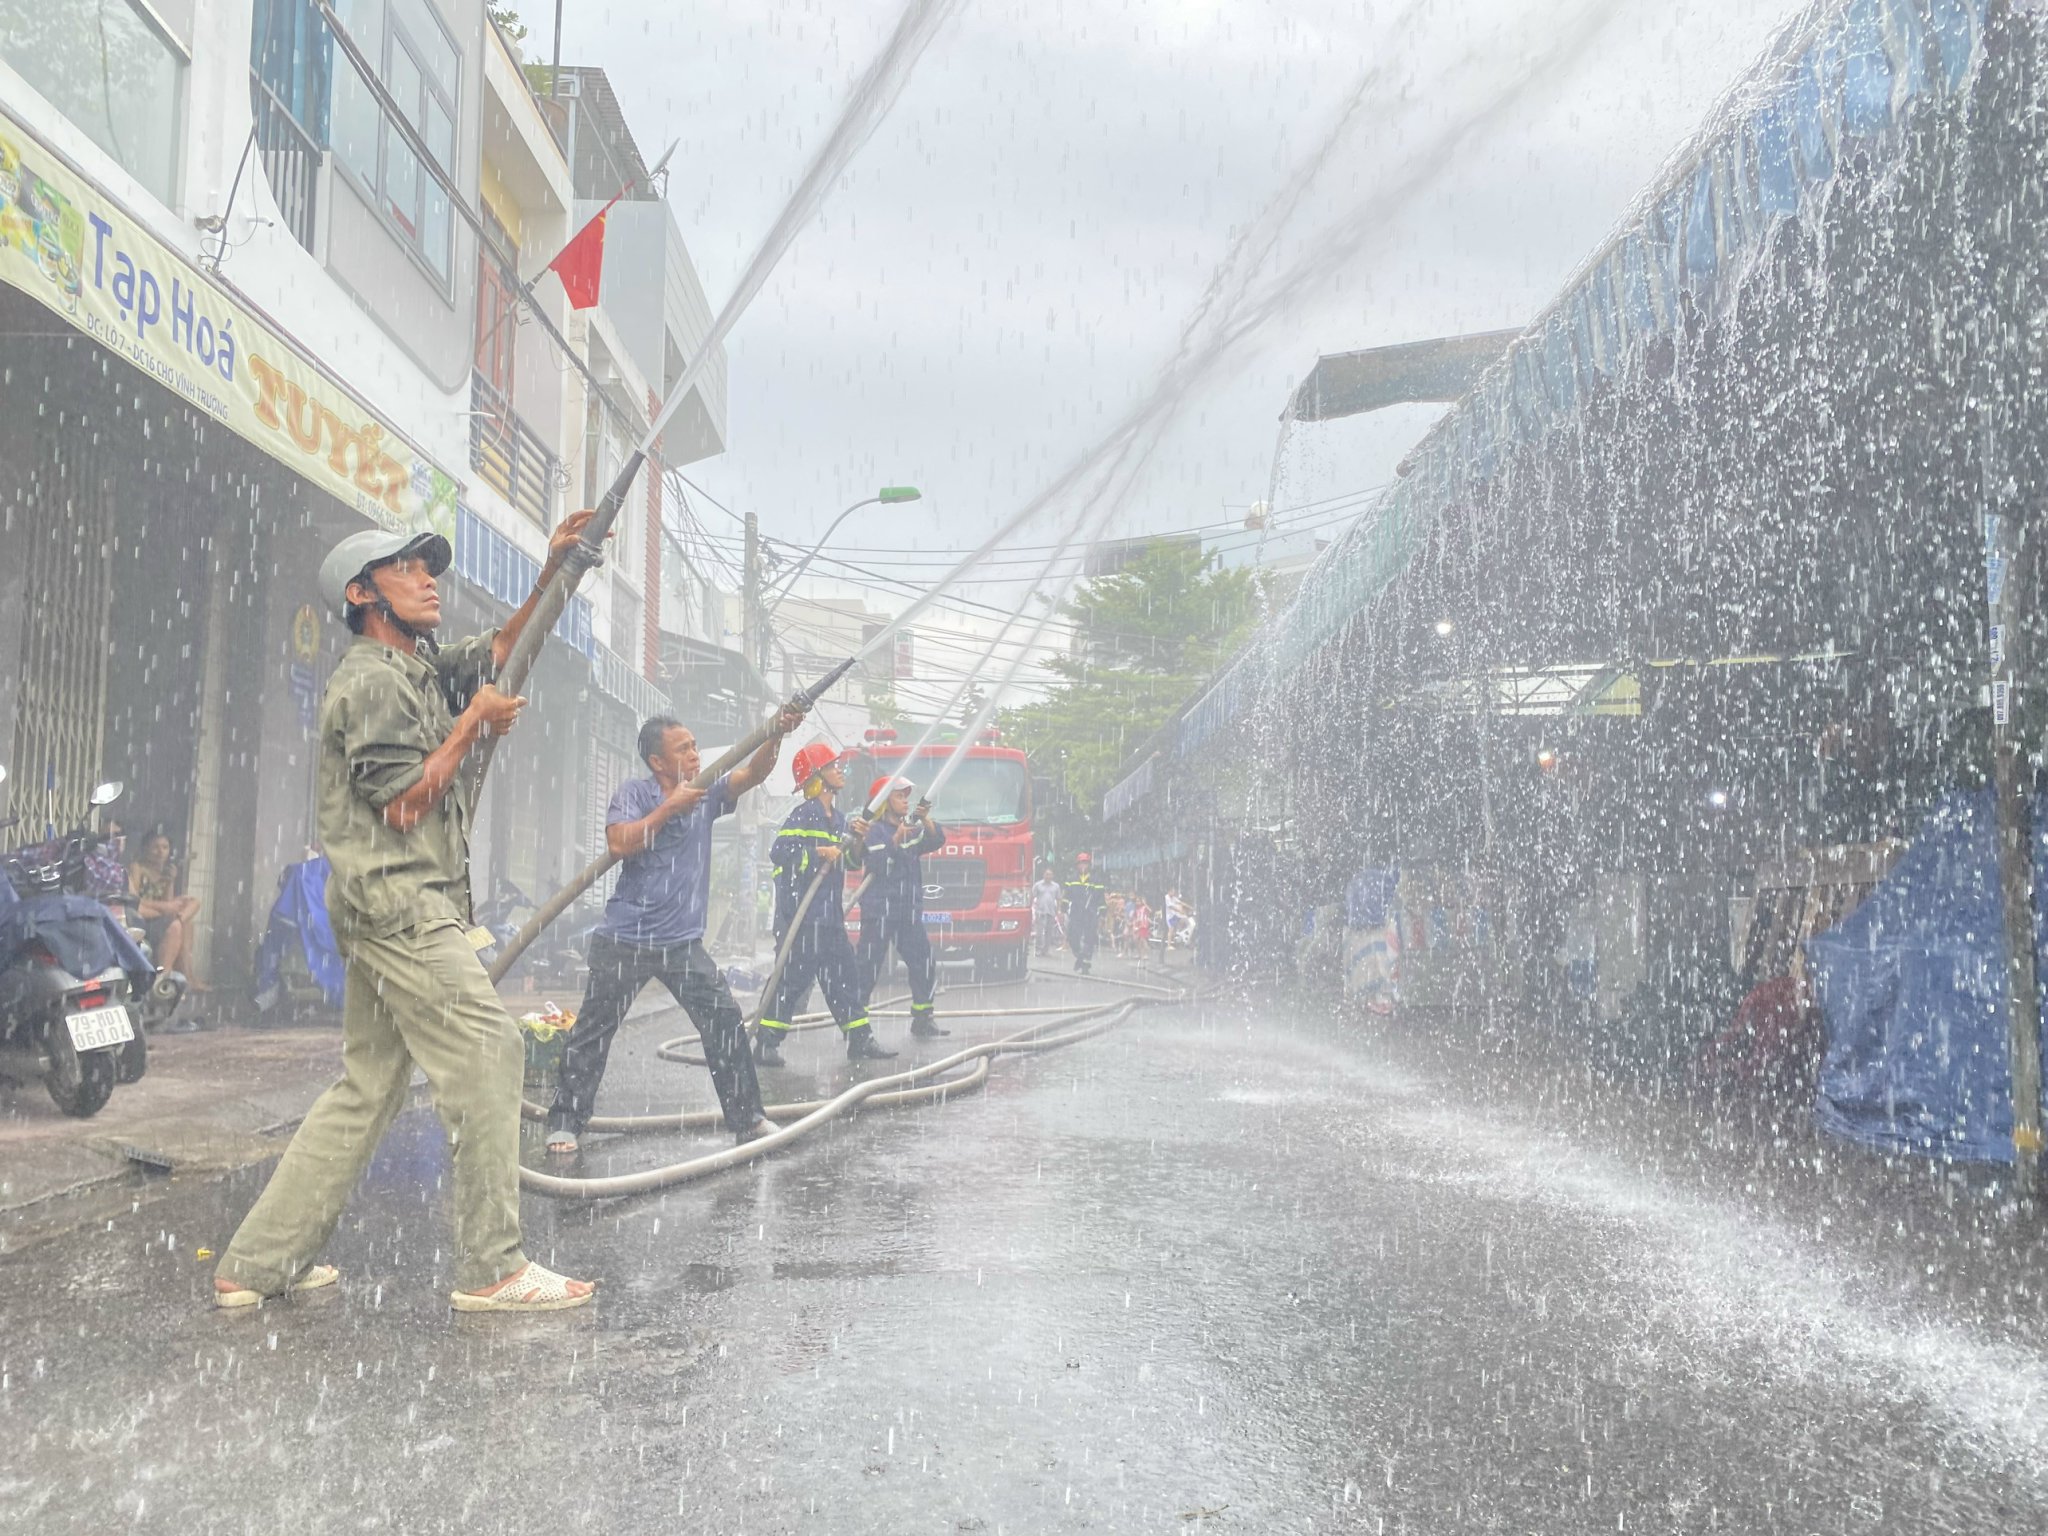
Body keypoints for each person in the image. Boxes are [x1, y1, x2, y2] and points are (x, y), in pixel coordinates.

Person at [213, 515, 600, 1314]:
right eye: (408, 568)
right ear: (361, 594)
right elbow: (400, 803)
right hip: (399, 904)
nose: (430, 579)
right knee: (492, 1049)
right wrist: (471, 725)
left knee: (369, 1087)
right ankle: (494, 1267)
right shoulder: (369, 682)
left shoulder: (415, 666)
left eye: (431, 567)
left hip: (385, 906)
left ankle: (253, 1265)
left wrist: (553, 575)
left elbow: (500, 653)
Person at [543, 706, 805, 1156]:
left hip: (681, 945)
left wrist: (775, 736)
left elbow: (753, 775)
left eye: (694, 746)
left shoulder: (707, 794)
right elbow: (620, 843)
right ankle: (565, 1121)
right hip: (625, 938)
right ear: (658, 762)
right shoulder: (636, 793)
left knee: (723, 1021)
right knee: (593, 1030)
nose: (694, 754)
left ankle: (748, 1118)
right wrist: (669, 808)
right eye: (683, 749)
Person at [756, 743, 897, 1065]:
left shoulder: (838, 819)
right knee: (792, 980)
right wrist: (817, 853)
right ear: (816, 778)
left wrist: (858, 839)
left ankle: (859, 1039)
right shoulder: (804, 815)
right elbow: (780, 854)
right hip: (802, 918)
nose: (840, 770)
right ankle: (765, 1043)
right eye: (833, 767)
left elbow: (849, 861)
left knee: (845, 977)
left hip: (828, 916)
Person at [856, 777, 948, 1039]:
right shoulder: (874, 831)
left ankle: (922, 1018)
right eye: (899, 796)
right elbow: (878, 864)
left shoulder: (910, 828)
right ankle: (857, 1027)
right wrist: (895, 840)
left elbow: (935, 840)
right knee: (867, 967)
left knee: (923, 963)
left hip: (907, 910)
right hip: (879, 910)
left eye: (906, 796)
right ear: (884, 802)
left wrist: (925, 819)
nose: (905, 800)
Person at [128, 829, 201, 980]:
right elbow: (134, 900)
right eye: (155, 847)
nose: (160, 852)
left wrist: (170, 881)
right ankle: (165, 977)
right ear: (146, 848)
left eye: (165, 847)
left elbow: (168, 901)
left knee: (193, 905)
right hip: (143, 915)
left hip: (161, 915)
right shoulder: (137, 867)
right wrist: (165, 908)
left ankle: (188, 978)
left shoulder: (165, 871)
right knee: (179, 927)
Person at [1062, 852, 1106, 974]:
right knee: (1073, 937)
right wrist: (1063, 909)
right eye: (1081, 863)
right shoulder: (1072, 879)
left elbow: (1101, 898)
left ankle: (1086, 964)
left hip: (1090, 913)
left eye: (1085, 863)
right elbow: (1066, 895)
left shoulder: (1096, 880)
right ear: (1077, 865)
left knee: (1089, 938)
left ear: (1089, 865)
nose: (1083, 865)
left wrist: (1102, 914)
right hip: (1076, 912)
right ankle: (1080, 956)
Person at [1031, 863, 1062, 957]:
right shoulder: (1038, 885)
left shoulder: (1056, 886)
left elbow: (1059, 899)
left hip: (1051, 911)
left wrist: (1058, 911)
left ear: (1053, 876)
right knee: (1039, 932)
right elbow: (1032, 896)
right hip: (1040, 911)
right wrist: (1031, 909)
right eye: (1046, 874)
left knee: (1049, 932)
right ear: (1043, 875)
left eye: (1050, 874)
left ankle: (1046, 950)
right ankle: (1038, 950)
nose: (1048, 876)